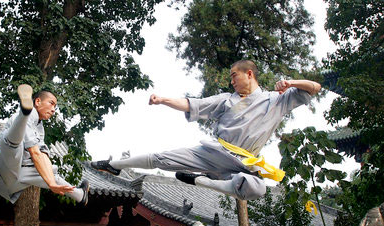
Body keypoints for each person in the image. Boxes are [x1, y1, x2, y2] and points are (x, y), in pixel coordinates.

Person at [91, 60, 321, 201]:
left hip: (243, 163)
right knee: (163, 159)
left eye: (234, 75)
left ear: (249, 74)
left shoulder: (276, 101)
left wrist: (291, 83)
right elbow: (193, 104)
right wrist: (162, 99)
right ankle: (115, 165)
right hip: (213, 151)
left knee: (257, 188)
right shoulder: (225, 100)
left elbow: (315, 88)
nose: (231, 80)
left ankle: (202, 182)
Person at [0, 84, 89, 205]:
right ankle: (24, 113)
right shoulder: (24, 117)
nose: (54, 109)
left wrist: (51, 182)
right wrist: (50, 184)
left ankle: (80, 195)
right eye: (51, 103)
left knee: (50, 170)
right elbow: (34, 153)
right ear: (37, 101)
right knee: (12, 146)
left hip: (13, 181)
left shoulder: (40, 128)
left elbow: (42, 155)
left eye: (55, 106)